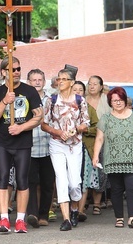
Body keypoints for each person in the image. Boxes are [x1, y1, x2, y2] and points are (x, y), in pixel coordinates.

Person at [0, 56, 43, 233]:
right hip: (3, 142)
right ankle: (4, 218)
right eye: (13, 69)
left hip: (22, 142)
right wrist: (4, 101)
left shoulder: (30, 91)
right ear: (4, 72)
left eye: (18, 69)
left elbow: (39, 117)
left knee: (22, 180)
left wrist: (22, 128)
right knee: (3, 177)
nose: (16, 72)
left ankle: (20, 219)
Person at [41, 69, 90, 231]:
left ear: (71, 82)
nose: (60, 81)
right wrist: (57, 132)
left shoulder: (80, 100)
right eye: (58, 79)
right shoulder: (51, 100)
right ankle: (66, 219)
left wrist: (76, 129)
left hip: (75, 144)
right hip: (57, 144)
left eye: (64, 79)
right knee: (61, 179)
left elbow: (86, 123)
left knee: (75, 182)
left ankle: (75, 209)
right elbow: (44, 124)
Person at [92, 87, 133, 229]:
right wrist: (95, 156)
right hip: (113, 160)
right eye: (114, 100)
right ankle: (119, 218)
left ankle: (132, 218)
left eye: (120, 100)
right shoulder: (106, 118)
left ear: (125, 99)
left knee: (132, 189)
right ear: (110, 102)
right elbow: (99, 138)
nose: (118, 102)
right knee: (116, 190)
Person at [25, 69, 55, 228]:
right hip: (29, 147)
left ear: (44, 82)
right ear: (28, 82)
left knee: (47, 183)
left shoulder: (51, 100)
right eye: (33, 80)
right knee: (30, 182)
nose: (37, 82)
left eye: (40, 79)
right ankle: (32, 214)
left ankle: (44, 215)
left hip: (48, 147)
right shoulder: (23, 99)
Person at [74, 79, 103, 220]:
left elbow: (97, 127)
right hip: (69, 147)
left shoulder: (88, 108)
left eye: (80, 90)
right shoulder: (63, 106)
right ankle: (70, 209)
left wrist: (86, 130)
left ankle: (80, 210)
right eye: (75, 90)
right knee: (71, 180)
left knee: (83, 179)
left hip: (85, 147)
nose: (78, 92)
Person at [85, 76, 111, 210]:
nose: (92, 86)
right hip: (86, 139)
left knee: (100, 170)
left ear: (101, 86)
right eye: (90, 84)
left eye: (95, 84)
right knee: (86, 170)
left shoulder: (106, 100)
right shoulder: (83, 100)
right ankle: (85, 200)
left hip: (103, 140)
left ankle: (97, 203)